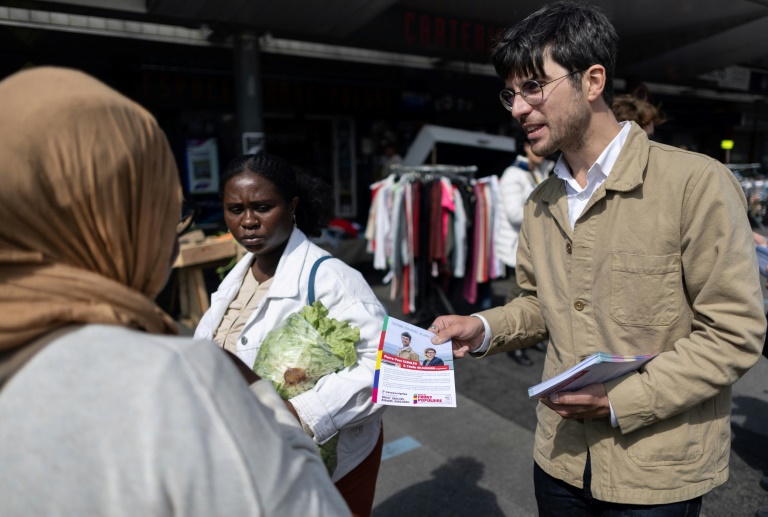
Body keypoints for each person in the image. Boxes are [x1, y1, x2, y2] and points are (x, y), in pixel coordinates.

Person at [428, 2, 765, 515]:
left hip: (656, 471)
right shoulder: (541, 201)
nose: (517, 108)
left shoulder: (695, 184)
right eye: (511, 93)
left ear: (592, 80)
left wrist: (620, 402)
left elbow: (733, 332)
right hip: (559, 459)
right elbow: (540, 305)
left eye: (534, 86)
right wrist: (482, 327)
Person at [0, 67, 349, 515]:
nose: (173, 230)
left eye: (261, 207)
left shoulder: (333, 278)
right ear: (113, 220)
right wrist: (260, 400)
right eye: (164, 206)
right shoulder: (176, 381)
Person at [194, 152, 387, 517]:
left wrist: (302, 412)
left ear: (292, 206)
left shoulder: (334, 279)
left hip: (327, 465)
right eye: (235, 209)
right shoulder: (238, 275)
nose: (248, 222)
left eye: (263, 207)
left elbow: (382, 367)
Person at [495, 134, 554, 366]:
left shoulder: (537, 170)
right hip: (515, 248)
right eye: (534, 144)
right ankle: (512, 344)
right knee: (516, 298)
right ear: (524, 147)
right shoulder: (514, 174)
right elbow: (513, 214)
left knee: (534, 296)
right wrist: (549, 212)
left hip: (532, 248)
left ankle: (529, 339)